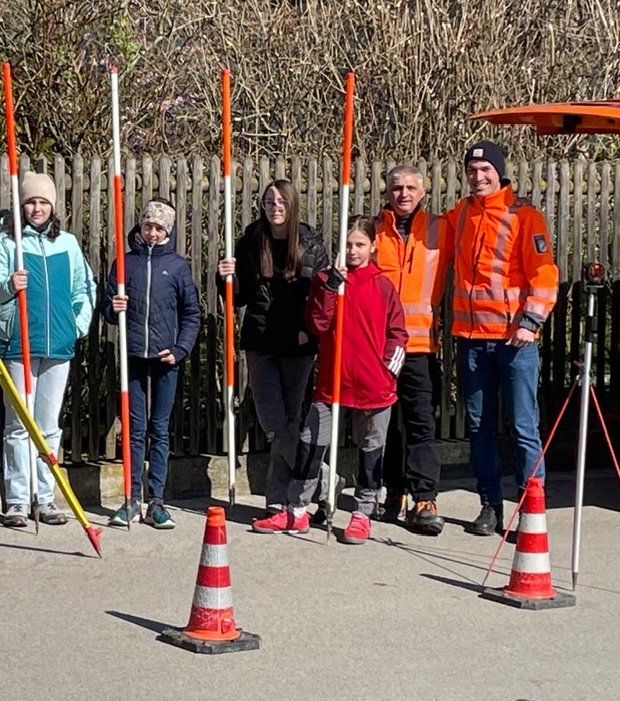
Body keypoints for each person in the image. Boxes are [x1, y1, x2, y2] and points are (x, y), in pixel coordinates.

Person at [253, 215, 406, 542]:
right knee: (310, 443)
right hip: (332, 384)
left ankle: (363, 511)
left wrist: (388, 370)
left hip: (374, 386)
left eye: (360, 244)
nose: (353, 251)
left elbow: (398, 333)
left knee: (371, 450)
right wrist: (330, 288)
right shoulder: (326, 279)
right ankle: (296, 509)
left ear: (373, 247)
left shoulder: (383, 284)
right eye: (348, 245)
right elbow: (317, 324)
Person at [446, 141, 558, 536]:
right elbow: (427, 235)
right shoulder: (462, 212)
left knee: (524, 428)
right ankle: (490, 505)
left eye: (485, 170)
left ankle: (531, 510)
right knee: (480, 428)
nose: (478, 176)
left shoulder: (523, 216)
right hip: (472, 341)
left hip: (515, 342)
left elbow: (544, 273)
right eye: (471, 170)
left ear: (499, 172)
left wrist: (531, 321)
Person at [0, 172, 95, 528]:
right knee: (18, 426)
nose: (37, 208)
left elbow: (84, 288)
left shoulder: (68, 244)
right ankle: (16, 500)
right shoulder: (6, 244)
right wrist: (10, 286)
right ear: (22, 206)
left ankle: (44, 498)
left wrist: (77, 326)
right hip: (18, 345)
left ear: (53, 207)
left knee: (47, 427)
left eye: (43, 202)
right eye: (31, 202)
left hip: (58, 346)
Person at [217, 179, 330, 523]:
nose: (275, 208)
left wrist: (309, 331)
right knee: (274, 422)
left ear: (292, 205)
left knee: (290, 422)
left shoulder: (311, 245)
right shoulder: (252, 241)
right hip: (261, 342)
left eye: (281, 202)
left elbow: (321, 297)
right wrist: (225, 278)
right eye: (268, 202)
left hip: (297, 344)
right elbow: (239, 298)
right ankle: (324, 483)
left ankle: (278, 501)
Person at [101, 198, 200, 529]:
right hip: (132, 357)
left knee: (159, 430)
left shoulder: (177, 267)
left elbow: (191, 313)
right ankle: (131, 498)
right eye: (148, 226)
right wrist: (113, 307)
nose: (153, 233)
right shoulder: (124, 264)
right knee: (134, 429)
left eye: (159, 228)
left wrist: (180, 349)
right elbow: (107, 309)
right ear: (140, 227)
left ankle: (156, 501)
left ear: (168, 231)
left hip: (164, 359)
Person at [375, 165, 450, 535]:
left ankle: (424, 498)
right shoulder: (373, 231)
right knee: (385, 424)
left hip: (421, 345)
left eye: (410, 187)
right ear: (386, 192)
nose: (403, 194)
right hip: (382, 345)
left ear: (423, 192)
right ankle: (394, 491)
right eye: (396, 188)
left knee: (421, 423)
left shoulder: (441, 228)